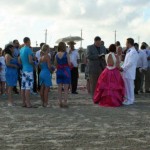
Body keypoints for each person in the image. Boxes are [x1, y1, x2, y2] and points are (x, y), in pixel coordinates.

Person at [120, 38, 139, 105]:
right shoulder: (130, 51)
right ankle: (128, 98)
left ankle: (130, 100)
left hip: (129, 72)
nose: (125, 44)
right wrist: (122, 67)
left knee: (130, 86)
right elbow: (126, 62)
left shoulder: (133, 52)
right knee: (127, 87)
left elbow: (130, 63)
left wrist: (123, 68)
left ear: (129, 43)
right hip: (126, 72)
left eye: (126, 42)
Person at [55, 42, 71, 108]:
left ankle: (60, 102)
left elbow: (55, 64)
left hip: (59, 71)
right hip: (65, 71)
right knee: (66, 88)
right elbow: (69, 63)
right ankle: (65, 102)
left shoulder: (56, 54)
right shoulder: (66, 54)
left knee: (59, 88)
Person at [19, 37, 34, 108]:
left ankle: (23, 103)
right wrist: (35, 62)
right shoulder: (28, 49)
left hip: (23, 69)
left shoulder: (21, 49)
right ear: (28, 41)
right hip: (29, 70)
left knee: (23, 87)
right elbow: (30, 61)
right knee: (28, 87)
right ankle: (28, 103)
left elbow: (19, 60)